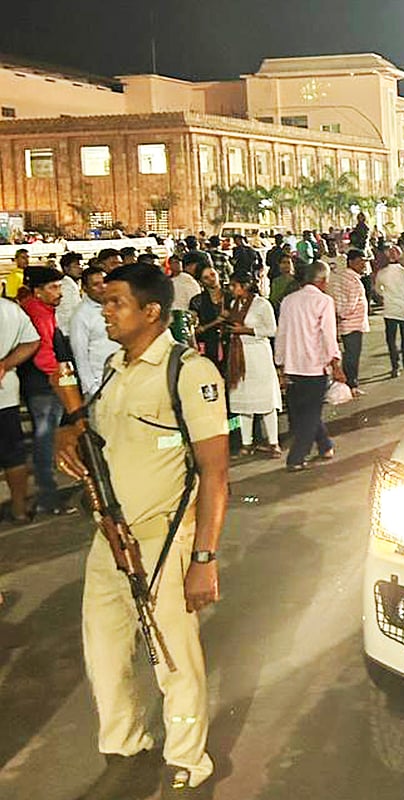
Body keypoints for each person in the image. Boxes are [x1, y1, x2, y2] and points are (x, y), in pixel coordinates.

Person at [56, 262, 229, 798]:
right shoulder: (113, 367)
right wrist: (68, 431)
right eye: (103, 302)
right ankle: (124, 743)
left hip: (162, 538)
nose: (104, 312)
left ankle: (185, 756)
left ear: (151, 311)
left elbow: (215, 472)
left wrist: (204, 558)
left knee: (172, 656)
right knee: (103, 649)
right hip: (108, 536)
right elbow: (98, 436)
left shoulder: (188, 372)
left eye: (116, 304)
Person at [275, 261, 345, 472]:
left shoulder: (288, 301)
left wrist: (279, 363)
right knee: (311, 413)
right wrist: (336, 364)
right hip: (315, 365)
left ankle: (325, 445)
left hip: (293, 365)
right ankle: (297, 457)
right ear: (322, 281)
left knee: (303, 412)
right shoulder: (324, 301)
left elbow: (282, 333)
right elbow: (328, 336)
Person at [18, 266, 69, 515]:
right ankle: (48, 498)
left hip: (40, 383)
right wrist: (59, 379)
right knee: (45, 440)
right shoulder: (37, 313)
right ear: (37, 291)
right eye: (53, 287)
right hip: (43, 385)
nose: (59, 292)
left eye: (59, 286)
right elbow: (42, 352)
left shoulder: (41, 309)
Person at [225, 272, 282, 458]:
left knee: (266, 400)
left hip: (259, 355)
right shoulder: (234, 305)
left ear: (246, 285)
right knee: (244, 402)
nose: (231, 289)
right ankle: (246, 443)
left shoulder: (261, 304)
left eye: (234, 285)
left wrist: (247, 330)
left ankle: (273, 442)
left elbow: (272, 330)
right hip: (239, 355)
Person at [0, 297, 41, 523]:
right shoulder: (9, 309)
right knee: (13, 455)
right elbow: (32, 342)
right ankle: (19, 509)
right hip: (5, 393)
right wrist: (5, 364)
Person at [69, 266, 122, 401]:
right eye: (96, 284)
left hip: (123, 379)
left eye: (104, 282)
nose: (102, 287)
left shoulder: (118, 306)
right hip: (99, 384)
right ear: (85, 288)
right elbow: (80, 354)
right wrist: (91, 388)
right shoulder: (81, 315)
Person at [329, 250, 370, 395]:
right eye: (360, 262)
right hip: (352, 324)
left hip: (348, 324)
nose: (363, 265)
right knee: (352, 357)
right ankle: (351, 385)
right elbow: (348, 305)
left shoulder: (343, 277)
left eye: (364, 262)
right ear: (351, 262)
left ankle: (349, 384)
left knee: (349, 355)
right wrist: (343, 315)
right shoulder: (351, 280)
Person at [375, 250, 404, 377]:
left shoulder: (382, 273)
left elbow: (378, 289)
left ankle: (395, 365)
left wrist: (385, 295)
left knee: (391, 340)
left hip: (390, 310)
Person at [189, 262, 230, 371]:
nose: (212, 279)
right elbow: (194, 330)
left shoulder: (230, 295)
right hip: (209, 346)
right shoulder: (197, 301)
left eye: (213, 274)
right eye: (206, 278)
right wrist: (215, 322)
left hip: (233, 345)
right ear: (201, 282)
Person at [57, 251, 84, 337]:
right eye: (76, 266)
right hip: (68, 333)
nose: (80, 268)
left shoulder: (73, 284)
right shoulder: (65, 286)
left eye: (81, 265)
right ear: (66, 268)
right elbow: (68, 314)